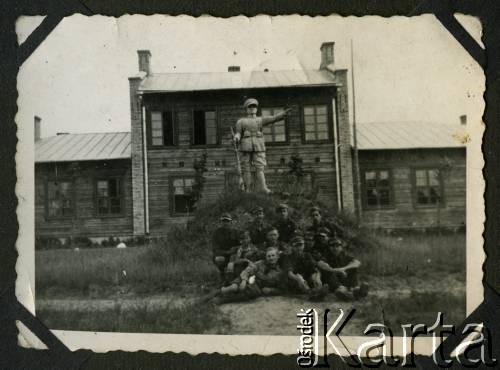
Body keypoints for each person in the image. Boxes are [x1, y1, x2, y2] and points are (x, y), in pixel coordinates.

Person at [233, 98, 291, 193]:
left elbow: (274, 118)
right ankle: (248, 189)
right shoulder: (241, 121)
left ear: (256, 108)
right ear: (246, 109)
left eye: (254, 106)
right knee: (246, 168)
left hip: (258, 146)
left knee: (260, 167)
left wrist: (283, 114)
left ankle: (263, 188)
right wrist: (236, 137)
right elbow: (238, 133)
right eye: (250, 106)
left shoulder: (260, 120)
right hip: (245, 147)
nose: (252, 108)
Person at [281, 236, 328, 300]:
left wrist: (317, 277)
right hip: (295, 282)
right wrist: (298, 279)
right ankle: (310, 293)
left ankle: (318, 291)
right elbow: (290, 273)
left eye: (301, 245)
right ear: (292, 247)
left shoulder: (307, 255)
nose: (299, 248)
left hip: (307, 280)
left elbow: (315, 269)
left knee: (315, 275)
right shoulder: (288, 257)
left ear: (304, 246)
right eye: (296, 246)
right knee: (299, 276)